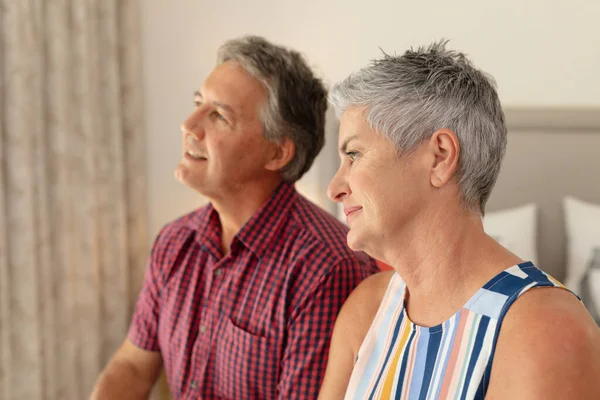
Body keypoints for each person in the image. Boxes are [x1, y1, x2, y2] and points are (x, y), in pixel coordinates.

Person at [90, 35, 378, 400]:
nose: (189, 126)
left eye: (218, 116)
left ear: (277, 153)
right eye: (198, 104)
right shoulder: (174, 241)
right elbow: (131, 367)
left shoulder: (326, 267)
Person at [318, 41, 600, 399]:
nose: (334, 188)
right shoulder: (367, 308)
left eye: (354, 154)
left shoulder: (544, 329)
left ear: (440, 157)